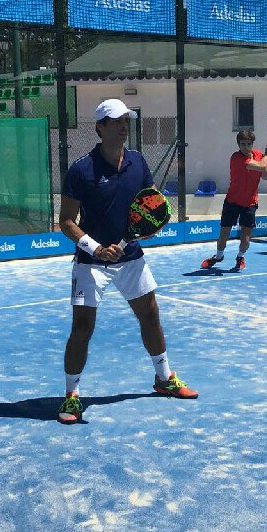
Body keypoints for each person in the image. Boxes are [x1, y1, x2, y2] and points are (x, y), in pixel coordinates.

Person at [57, 99, 198, 425]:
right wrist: (96, 249)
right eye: (116, 121)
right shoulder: (81, 170)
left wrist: (152, 227)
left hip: (131, 258)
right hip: (91, 264)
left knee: (150, 315)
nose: (123, 126)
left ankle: (164, 379)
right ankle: (72, 396)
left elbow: (151, 203)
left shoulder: (138, 161)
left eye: (126, 120)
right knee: (82, 328)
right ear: (100, 127)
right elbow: (66, 221)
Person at [201, 129, 267, 271]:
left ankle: (240, 257)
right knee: (224, 235)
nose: (246, 147)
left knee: (246, 239)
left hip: (250, 203)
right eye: (243, 144)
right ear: (238, 144)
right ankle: (218, 257)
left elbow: (265, 175)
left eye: (248, 144)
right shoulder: (236, 158)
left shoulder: (259, 155)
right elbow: (262, 165)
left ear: (252, 144)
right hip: (232, 202)